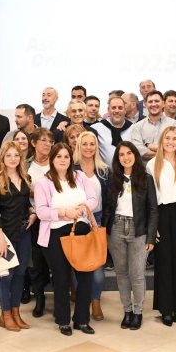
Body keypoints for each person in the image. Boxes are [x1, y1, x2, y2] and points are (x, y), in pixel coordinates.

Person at [34, 143, 99, 336]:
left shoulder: (80, 177)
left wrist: (80, 208)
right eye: (59, 156)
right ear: (52, 159)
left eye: (66, 156)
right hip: (55, 235)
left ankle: (82, 320)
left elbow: (93, 199)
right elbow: (41, 211)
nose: (63, 160)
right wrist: (63, 213)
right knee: (61, 279)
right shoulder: (43, 182)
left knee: (85, 278)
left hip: (82, 232)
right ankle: (63, 320)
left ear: (71, 159)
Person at [101, 142, 158, 330]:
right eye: (122, 155)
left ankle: (138, 311)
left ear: (135, 155)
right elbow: (108, 208)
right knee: (122, 273)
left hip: (138, 229)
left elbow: (152, 209)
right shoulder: (113, 179)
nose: (126, 157)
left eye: (129, 153)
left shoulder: (146, 178)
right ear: (118, 159)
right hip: (116, 228)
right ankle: (127, 311)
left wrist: (151, 237)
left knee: (137, 273)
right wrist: (105, 231)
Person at [147, 126, 176, 325]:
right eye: (167, 138)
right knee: (164, 262)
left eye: (174, 138)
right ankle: (166, 308)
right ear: (161, 141)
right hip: (162, 214)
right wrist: (154, 225)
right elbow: (150, 199)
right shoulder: (152, 164)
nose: (170, 142)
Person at [0, 141, 34, 331]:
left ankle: (16, 312)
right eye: (9, 155)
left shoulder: (26, 177)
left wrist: (33, 213)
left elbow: (27, 204)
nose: (13, 159)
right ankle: (5, 314)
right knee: (5, 275)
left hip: (24, 232)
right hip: (5, 234)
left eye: (16, 155)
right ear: (2, 158)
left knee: (20, 274)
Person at [73, 131, 110, 321]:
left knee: (97, 268)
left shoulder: (104, 170)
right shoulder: (71, 169)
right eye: (84, 144)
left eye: (92, 144)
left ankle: (96, 301)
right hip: (77, 221)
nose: (88, 147)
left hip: (98, 220)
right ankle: (83, 301)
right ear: (79, 146)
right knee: (78, 264)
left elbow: (109, 199)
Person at [27, 128, 54, 318]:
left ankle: (60, 299)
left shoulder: (57, 163)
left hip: (54, 218)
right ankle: (40, 298)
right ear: (33, 143)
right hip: (34, 218)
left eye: (50, 141)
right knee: (37, 262)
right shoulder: (26, 164)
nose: (47, 144)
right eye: (43, 140)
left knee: (55, 260)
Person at [131, 90, 176, 161]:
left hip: (168, 170)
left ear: (163, 104)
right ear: (146, 105)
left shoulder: (174, 124)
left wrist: (147, 145)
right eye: (150, 102)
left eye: (156, 101)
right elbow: (138, 152)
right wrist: (165, 152)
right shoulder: (137, 126)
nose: (153, 104)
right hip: (145, 171)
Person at [90, 95, 133, 164]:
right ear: (108, 110)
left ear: (125, 111)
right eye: (113, 108)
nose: (117, 110)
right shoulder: (96, 128)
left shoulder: (134, 128)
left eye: (120, 108)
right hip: (105, 173)